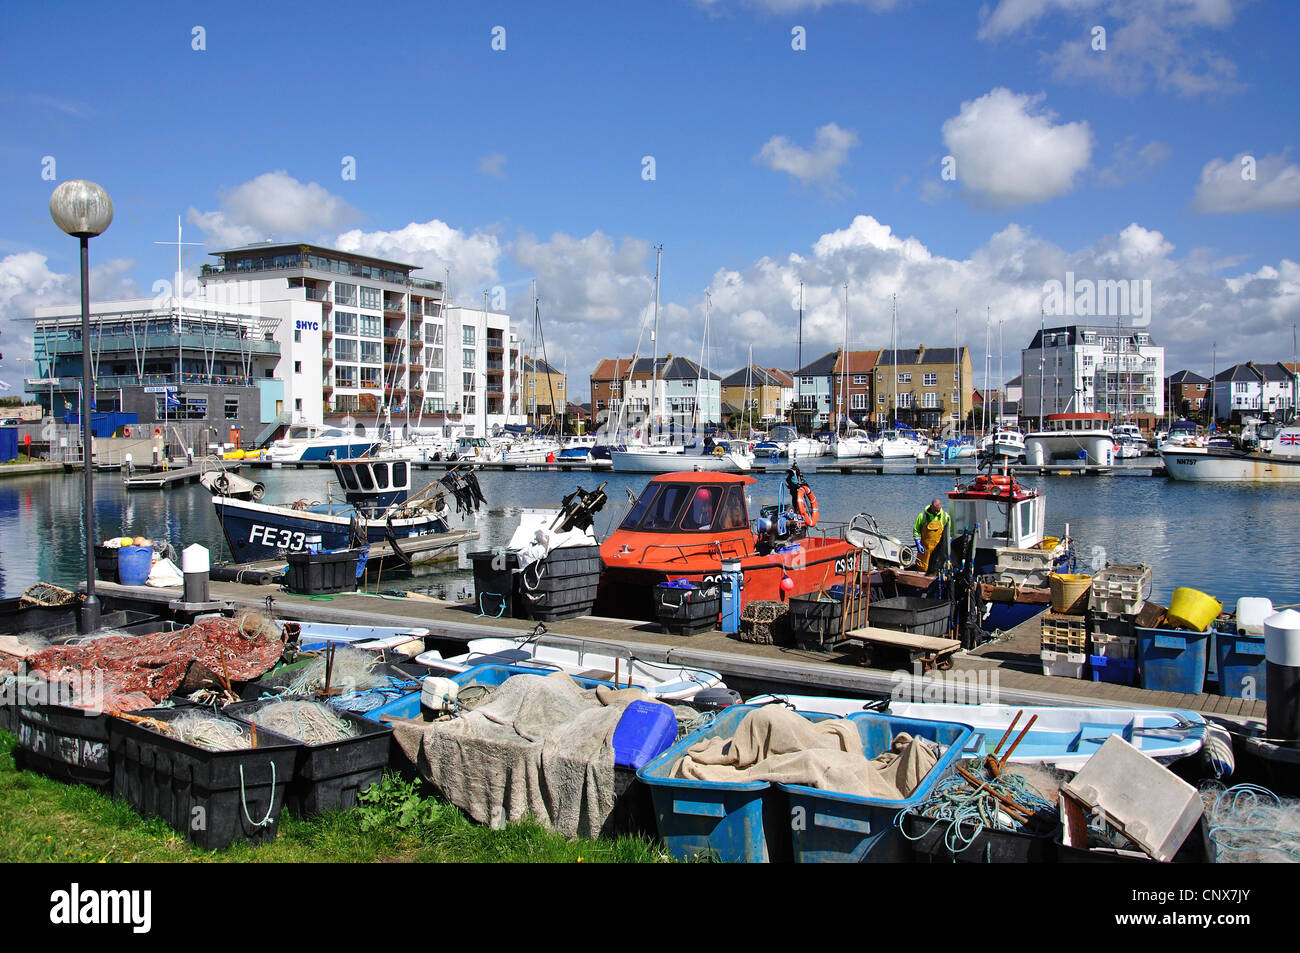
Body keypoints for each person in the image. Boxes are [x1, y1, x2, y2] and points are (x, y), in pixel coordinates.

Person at [912, 497, 951, 575]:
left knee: (938, 570)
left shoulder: (945, 517)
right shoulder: (922, 516)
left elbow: (950, 533)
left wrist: (949, 544)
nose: (936, 512)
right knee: (923, 568)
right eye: (935, 510)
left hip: (939, 551)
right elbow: (916, 530)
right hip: (925, 550)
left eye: (938, 510)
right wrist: (917, 543)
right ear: (931, 506)